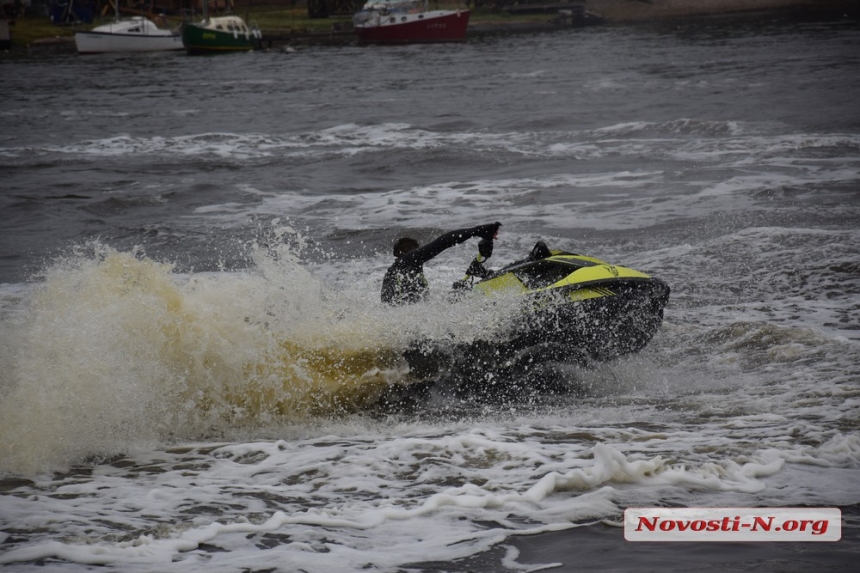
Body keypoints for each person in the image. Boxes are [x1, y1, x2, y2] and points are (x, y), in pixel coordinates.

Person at [381, 222, 501, 305]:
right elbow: (443, 242)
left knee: (458, 292)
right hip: (409, 330)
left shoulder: (396, 274)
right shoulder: (406, 262)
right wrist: (478, 230)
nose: (420, 256)